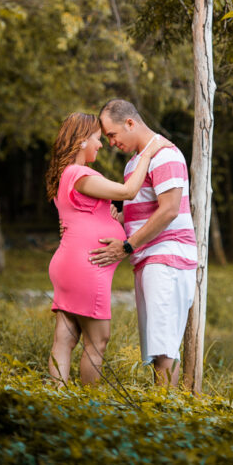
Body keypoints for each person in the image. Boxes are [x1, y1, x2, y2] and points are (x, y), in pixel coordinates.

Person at [45, 111, 162, 386]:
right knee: (98, 340)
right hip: (87, 267)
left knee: (65, 337)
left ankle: (55, 396)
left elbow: (81, 216)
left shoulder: (66, 175)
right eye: (97, 139)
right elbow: (127, 192)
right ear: (82, 141)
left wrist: (108, 219)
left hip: (69, 264)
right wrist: (147, 153)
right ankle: (89, 403)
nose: (101, 144)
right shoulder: (80, 173)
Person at [89, 99, 197, 387]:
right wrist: (120, 218)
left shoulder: (165, 155)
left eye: (112, 134)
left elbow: (170, 209)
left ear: (130, 123)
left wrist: (126, 246)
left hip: (167, 257)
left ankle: (168, 418)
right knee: (155, 347)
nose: (111, 142)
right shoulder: (135, 164)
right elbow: (147, 208)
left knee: (163, 351)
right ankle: (162, 413)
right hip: (147, 259)